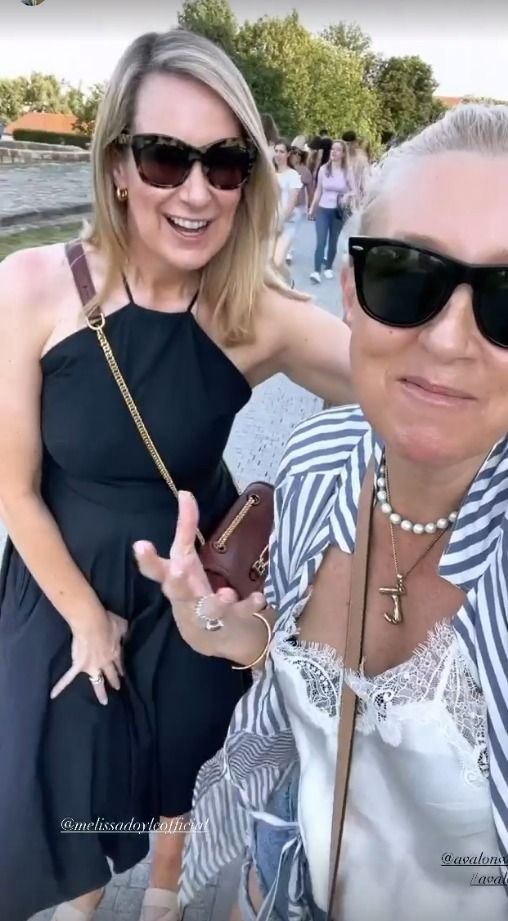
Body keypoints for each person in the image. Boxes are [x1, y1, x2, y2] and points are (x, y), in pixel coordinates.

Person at [0, 28, 353, 921]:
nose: (197, 192)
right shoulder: (34, 286)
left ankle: (167, 890)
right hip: (67, 578)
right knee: (72, 789)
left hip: (195, 581)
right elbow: (13, 487)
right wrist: (87, 618)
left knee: (187, 758)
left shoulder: (255, 313)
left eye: (225, 163)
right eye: (166, 158)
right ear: (119, 165)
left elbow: (410, 386)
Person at [140, 102, 508, 921]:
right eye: (405, 276)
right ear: (350, 291)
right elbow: (291, 688)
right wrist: (233, 634)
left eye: (507, 298)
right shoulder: (318, 460)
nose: (450, 339)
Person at [309, 138, 354, 284]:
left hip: (338, 211)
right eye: (332, 149)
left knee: (333, 241)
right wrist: (312, 207)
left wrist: (346, 196)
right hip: (323, 209)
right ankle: (316, 271)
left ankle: (328, 267)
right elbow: (318, 190)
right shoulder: (324, 169)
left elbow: (353, 190)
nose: (334, 152)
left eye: (338, 150)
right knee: (320, 241)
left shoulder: (347, 171)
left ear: (343, 153)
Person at [272, 138, 302, 275]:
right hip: (269, 221)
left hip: (286, 223)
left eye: (282, 152)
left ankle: (285, 284)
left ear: (288, 154)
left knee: (277, 261)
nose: (278, 154)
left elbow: (291, 202)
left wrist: (280, 222)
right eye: (276, 151)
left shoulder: (292, 175)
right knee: (268, 263)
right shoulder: (270, 173)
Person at [285, 138, 313, 264]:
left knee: (292, 230)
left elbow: (311, 189)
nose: (296, 155)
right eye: (293, 152)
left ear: (302, 156)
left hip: (298, 206)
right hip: (284, 203)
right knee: (283, 228)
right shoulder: (284, 168)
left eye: (298, 153)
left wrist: (311, 207)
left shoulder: (305, 171)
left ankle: (289, 252)